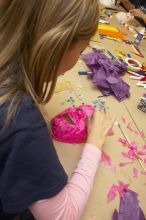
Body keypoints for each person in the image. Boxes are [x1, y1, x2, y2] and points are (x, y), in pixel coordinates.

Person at [0, 0, 115, 220]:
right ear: (57, 45)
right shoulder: (20, 119)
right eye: (81, 49)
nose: (81, 56)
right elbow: (62, 215)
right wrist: (95, 142)